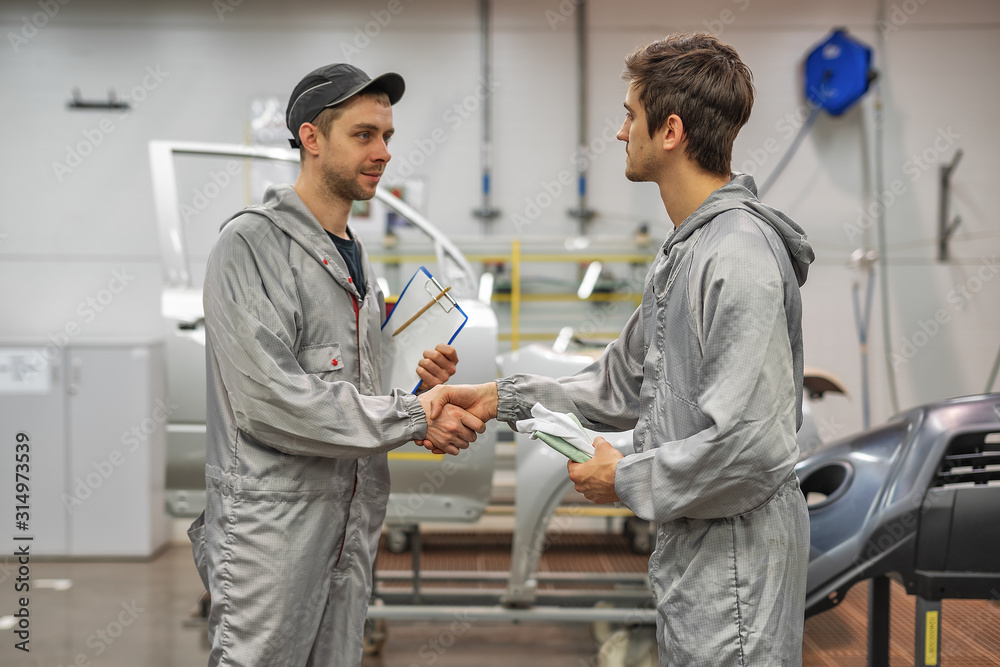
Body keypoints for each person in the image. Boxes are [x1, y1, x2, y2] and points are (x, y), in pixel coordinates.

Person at [423, 34, 815, 665]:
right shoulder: (687, 253)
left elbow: (751, 448)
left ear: (671, 131)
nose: (619, 132)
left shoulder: (736, 256)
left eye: (631, 115)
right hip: (698, 553)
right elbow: (618, 383)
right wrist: (499, 398)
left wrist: (624, 477)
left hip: (737, 566)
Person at [187, 63, 485, 667]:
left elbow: (352, 385)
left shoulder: (355, 258)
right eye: (363, 135)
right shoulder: (250, 247)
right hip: (272, 532)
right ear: (311, 138)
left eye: (387, 136)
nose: (383, 152)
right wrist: (411, 416)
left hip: (349, 524)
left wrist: (415, 386)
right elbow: (269, 402)